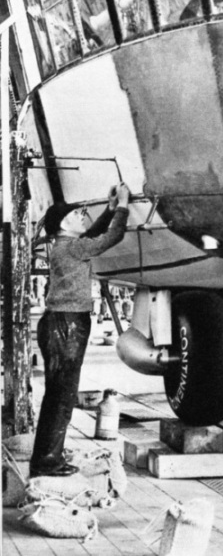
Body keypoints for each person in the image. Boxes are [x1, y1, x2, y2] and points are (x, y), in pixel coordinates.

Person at [30, 183, 130, 477]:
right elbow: (112, 237)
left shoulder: (66, 246)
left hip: (61, 323)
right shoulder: (72, 248)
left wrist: (109, 210)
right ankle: (47, 461)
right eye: (78, 214)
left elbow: (91, 236)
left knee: (58, 395)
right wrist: (123, 206)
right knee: (62, 396)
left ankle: (47, 458)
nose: (83, 216)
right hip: (67, 325)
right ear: (63, 223)